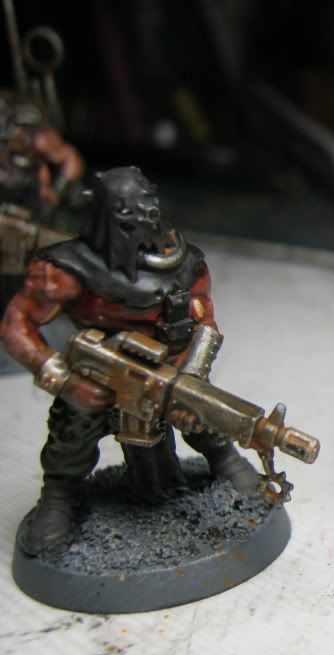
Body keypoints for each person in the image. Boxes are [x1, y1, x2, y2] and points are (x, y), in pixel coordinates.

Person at [1, 167, 257, 554]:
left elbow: (205, 327)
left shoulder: (186, 265)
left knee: (205, 414)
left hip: (168, 370)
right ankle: (59, 495)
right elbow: (16, 324)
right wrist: (63, 380)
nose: (141, 222)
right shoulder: (66, 270)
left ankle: (225, 460)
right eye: (126, 214)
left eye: (146, 208)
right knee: (71, 435)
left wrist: (190, 379)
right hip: (98, 379)